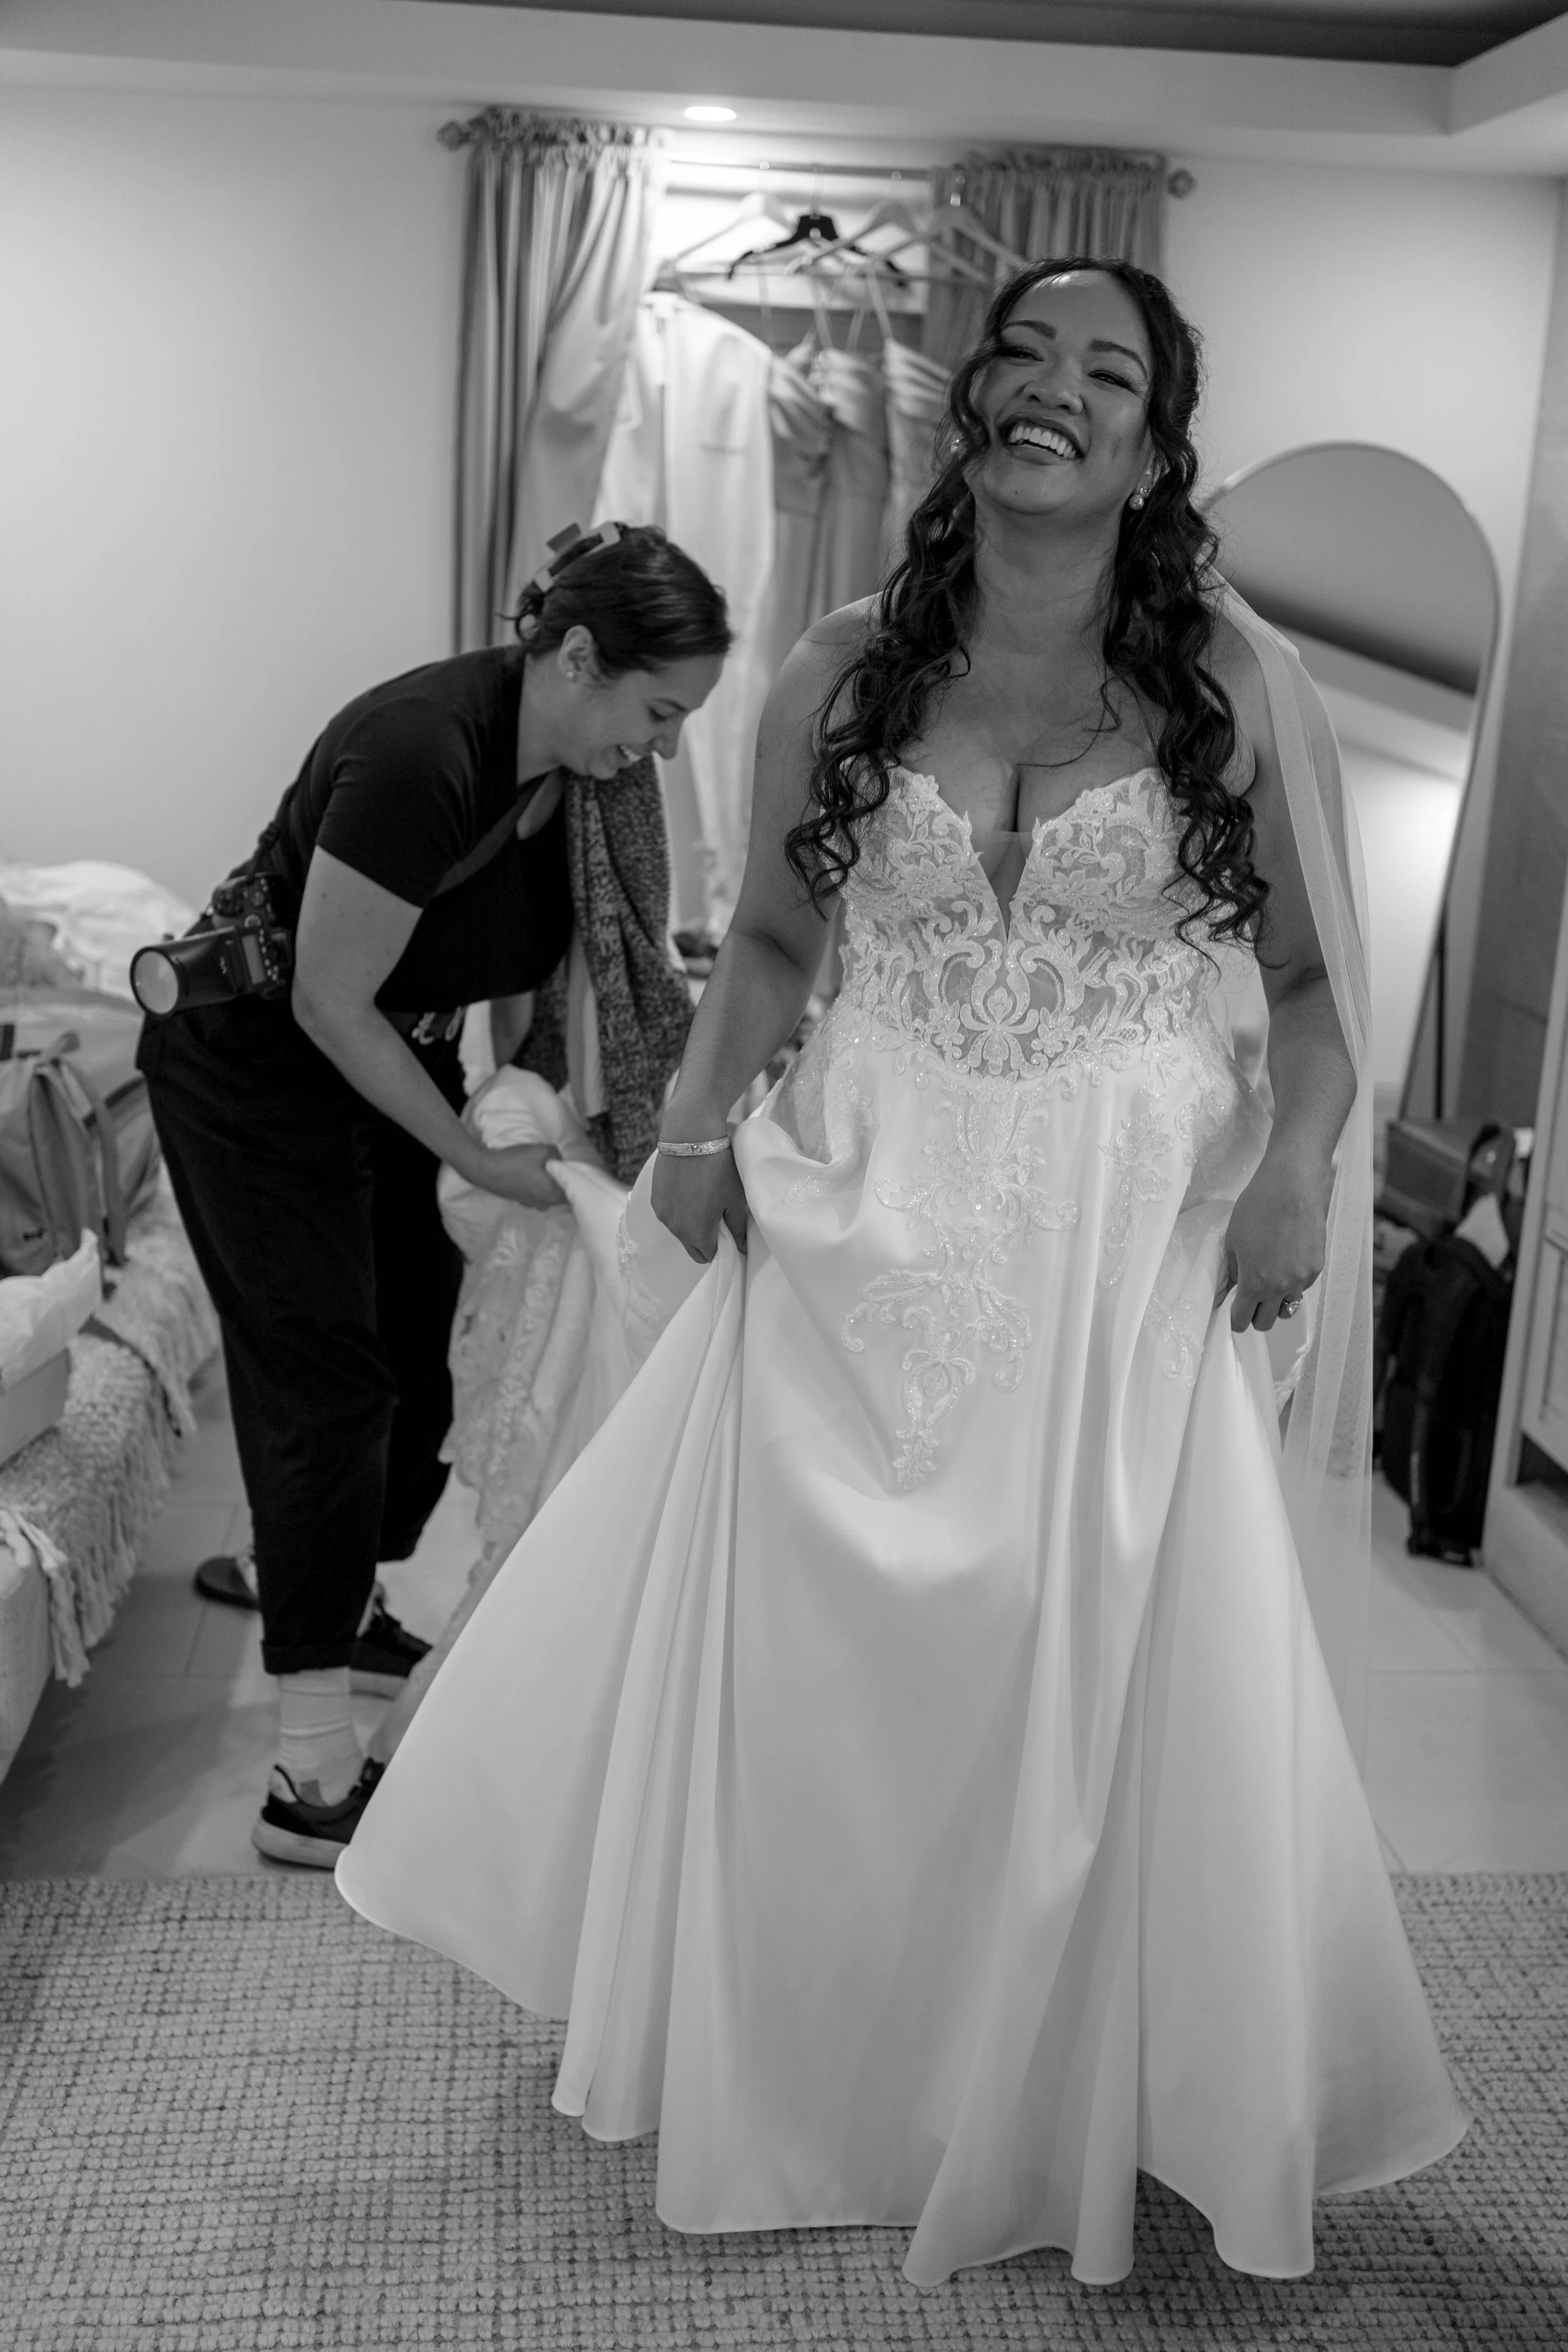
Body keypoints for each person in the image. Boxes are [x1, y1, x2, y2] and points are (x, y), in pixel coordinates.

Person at [336, 264, 1466, 2286]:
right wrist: (696, 1133)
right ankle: (814, 2067)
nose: (1051, 387)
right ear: (971, 407)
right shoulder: (845, 663)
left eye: (1104, 372)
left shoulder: (1225, 681)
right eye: (1021, 352)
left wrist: (1298, 1168)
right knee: (817, 1659)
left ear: (1153, 449)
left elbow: (1304, 991)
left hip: (1117, 1234)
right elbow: (776, 938)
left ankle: (1043, 2083)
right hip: (863, 1190)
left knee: (1070, 1655)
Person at [139, 523, 729, 1868]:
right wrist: (473, 1152)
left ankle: (323, 1581)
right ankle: (307, 1773)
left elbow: (529, 973)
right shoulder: (424, 752)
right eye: (658, 712)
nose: (663, 750)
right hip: (254, 1065)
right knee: (329, 1378)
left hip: (382, 1056)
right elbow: (326, 997)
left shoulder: (572, 786)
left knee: (419, 1344)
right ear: (577, 659)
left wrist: (540, 1102)